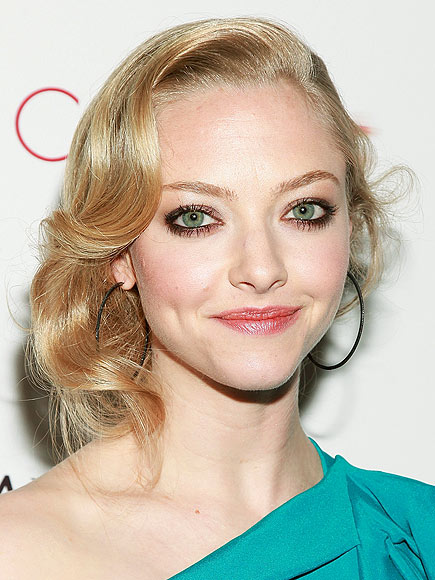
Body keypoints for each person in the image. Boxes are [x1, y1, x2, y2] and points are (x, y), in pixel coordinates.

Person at [1, 16, 434, 579]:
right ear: (120, 254)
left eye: (304, 210)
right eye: (196, 218)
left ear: (350, 227)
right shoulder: (19, 552)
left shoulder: (417, 534)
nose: (262, 269)